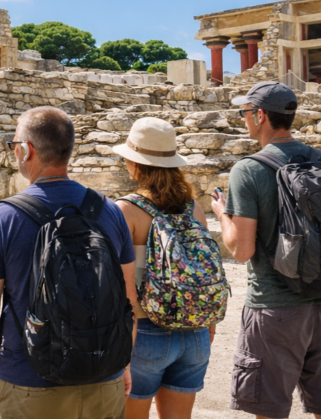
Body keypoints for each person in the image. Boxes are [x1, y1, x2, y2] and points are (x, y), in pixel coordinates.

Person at [0, 106, 138, 419]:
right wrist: (123, 364)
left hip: (30, 381)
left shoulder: (3, 217)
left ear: (25, 150)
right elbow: (129, 300)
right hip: (103, 376)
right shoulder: (111, 211)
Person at [211, 81, 321, 419]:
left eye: (244, 113)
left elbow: (242, 249)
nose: (243, 119)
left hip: (275, 308)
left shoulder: (249, 169)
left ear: (260, 115)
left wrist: (222, 216)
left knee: (269, 408)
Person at [112, 118, 215, 419]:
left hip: (145, 332)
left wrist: (121, 352)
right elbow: (206, 272)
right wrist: (208, 323)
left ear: (136, 164)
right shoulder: (193, 209)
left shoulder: (125, 211)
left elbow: (125, 292)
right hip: (195, 331)